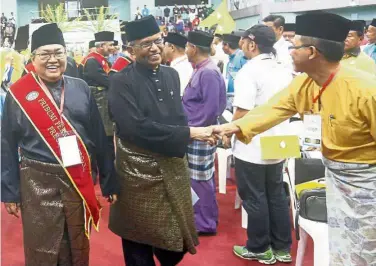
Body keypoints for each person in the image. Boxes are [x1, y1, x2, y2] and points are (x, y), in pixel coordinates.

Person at [213, 12, 376, 266]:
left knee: (366, 251)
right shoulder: (306, 84)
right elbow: (272, 110)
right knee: (343, 250)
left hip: (368, 186)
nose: (289, 51)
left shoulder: (367, 90)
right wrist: (228, 128)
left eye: (294, 46)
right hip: (336, 179)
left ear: (312, 52)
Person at [1, 23, 119, 266]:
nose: (52, 60)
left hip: (76, 178)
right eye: (44, 54)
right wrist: (9, 191)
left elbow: (99, 138)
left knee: (76, 242)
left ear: (67, 54)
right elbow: (6, 145)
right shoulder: (18, 93)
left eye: (58, 53)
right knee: (41, 246)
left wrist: (109, 180)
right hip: (36, 183)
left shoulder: (80, 88)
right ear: (33, 58)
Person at [108, 15, 209, 266]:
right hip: (136, 171)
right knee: (136, 238)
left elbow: (177, 116)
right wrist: (189, 134)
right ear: (131, 50)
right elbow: (134, 128)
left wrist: (187, 134)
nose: (154, 48)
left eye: (157, 41)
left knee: (175, 242)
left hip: (172, 163)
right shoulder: (120, 81)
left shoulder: (170, 75)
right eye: (145, 44)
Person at [224, 25, 293, 264]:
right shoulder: (283, 68)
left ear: (251, 44)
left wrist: (226, 132)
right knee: (276, 193)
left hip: (252, 142)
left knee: (254, 196)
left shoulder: (249, 71)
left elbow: (242, 111)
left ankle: (259, 246)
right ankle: (282, 247)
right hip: (280, 140)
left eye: (243, 42)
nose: (241, 46)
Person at [183, 30, 226, 234]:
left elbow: (210, 109)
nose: (185, 50)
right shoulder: (202, 68)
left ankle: (205, 223)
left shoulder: (207, 71)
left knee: (200, 180)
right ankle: (201, 219)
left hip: (200, 134)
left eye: (186, 47)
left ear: (193, 48)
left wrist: (198, 131)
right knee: (198, 178)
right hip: (197, 132)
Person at [82, 31, 115, 161]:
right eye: (110, 45)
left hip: (104, 97)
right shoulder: (91, 61)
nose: (112, 48)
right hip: (98, 99)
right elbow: (105, 80)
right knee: (103, 130)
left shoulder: (100, 59)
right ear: (101, 46)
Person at [222, 33, 247, 111]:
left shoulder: (242, 57)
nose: (222, 47)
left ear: (227, 45)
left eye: (223, 45)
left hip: (238, 98)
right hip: (229, 97)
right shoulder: (229, 59)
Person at [163, 32, 193, 96]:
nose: (163, 49)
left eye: (164, 46)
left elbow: (180, 96)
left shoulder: (181, 69)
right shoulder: (186, 64)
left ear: (172, 48)